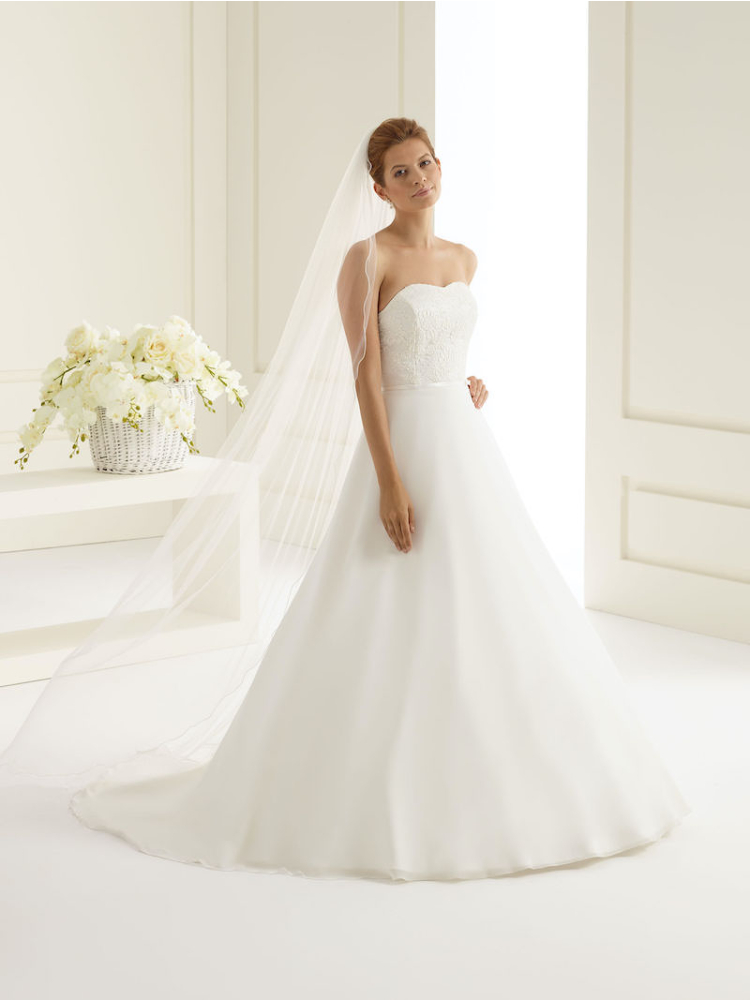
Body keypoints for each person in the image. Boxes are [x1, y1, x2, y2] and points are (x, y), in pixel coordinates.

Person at [0, 118, 691, 882]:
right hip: (401, 450)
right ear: (378, 188)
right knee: (381, 598)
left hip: (463, 444)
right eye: (401, 172)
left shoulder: (465, 258)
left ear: (440, 166)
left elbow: (441, 353)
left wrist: (466, 383)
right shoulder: (367, 257)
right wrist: (390, 480)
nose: (419, 178)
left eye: (425, 163)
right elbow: (366, 372)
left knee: (488, 597)